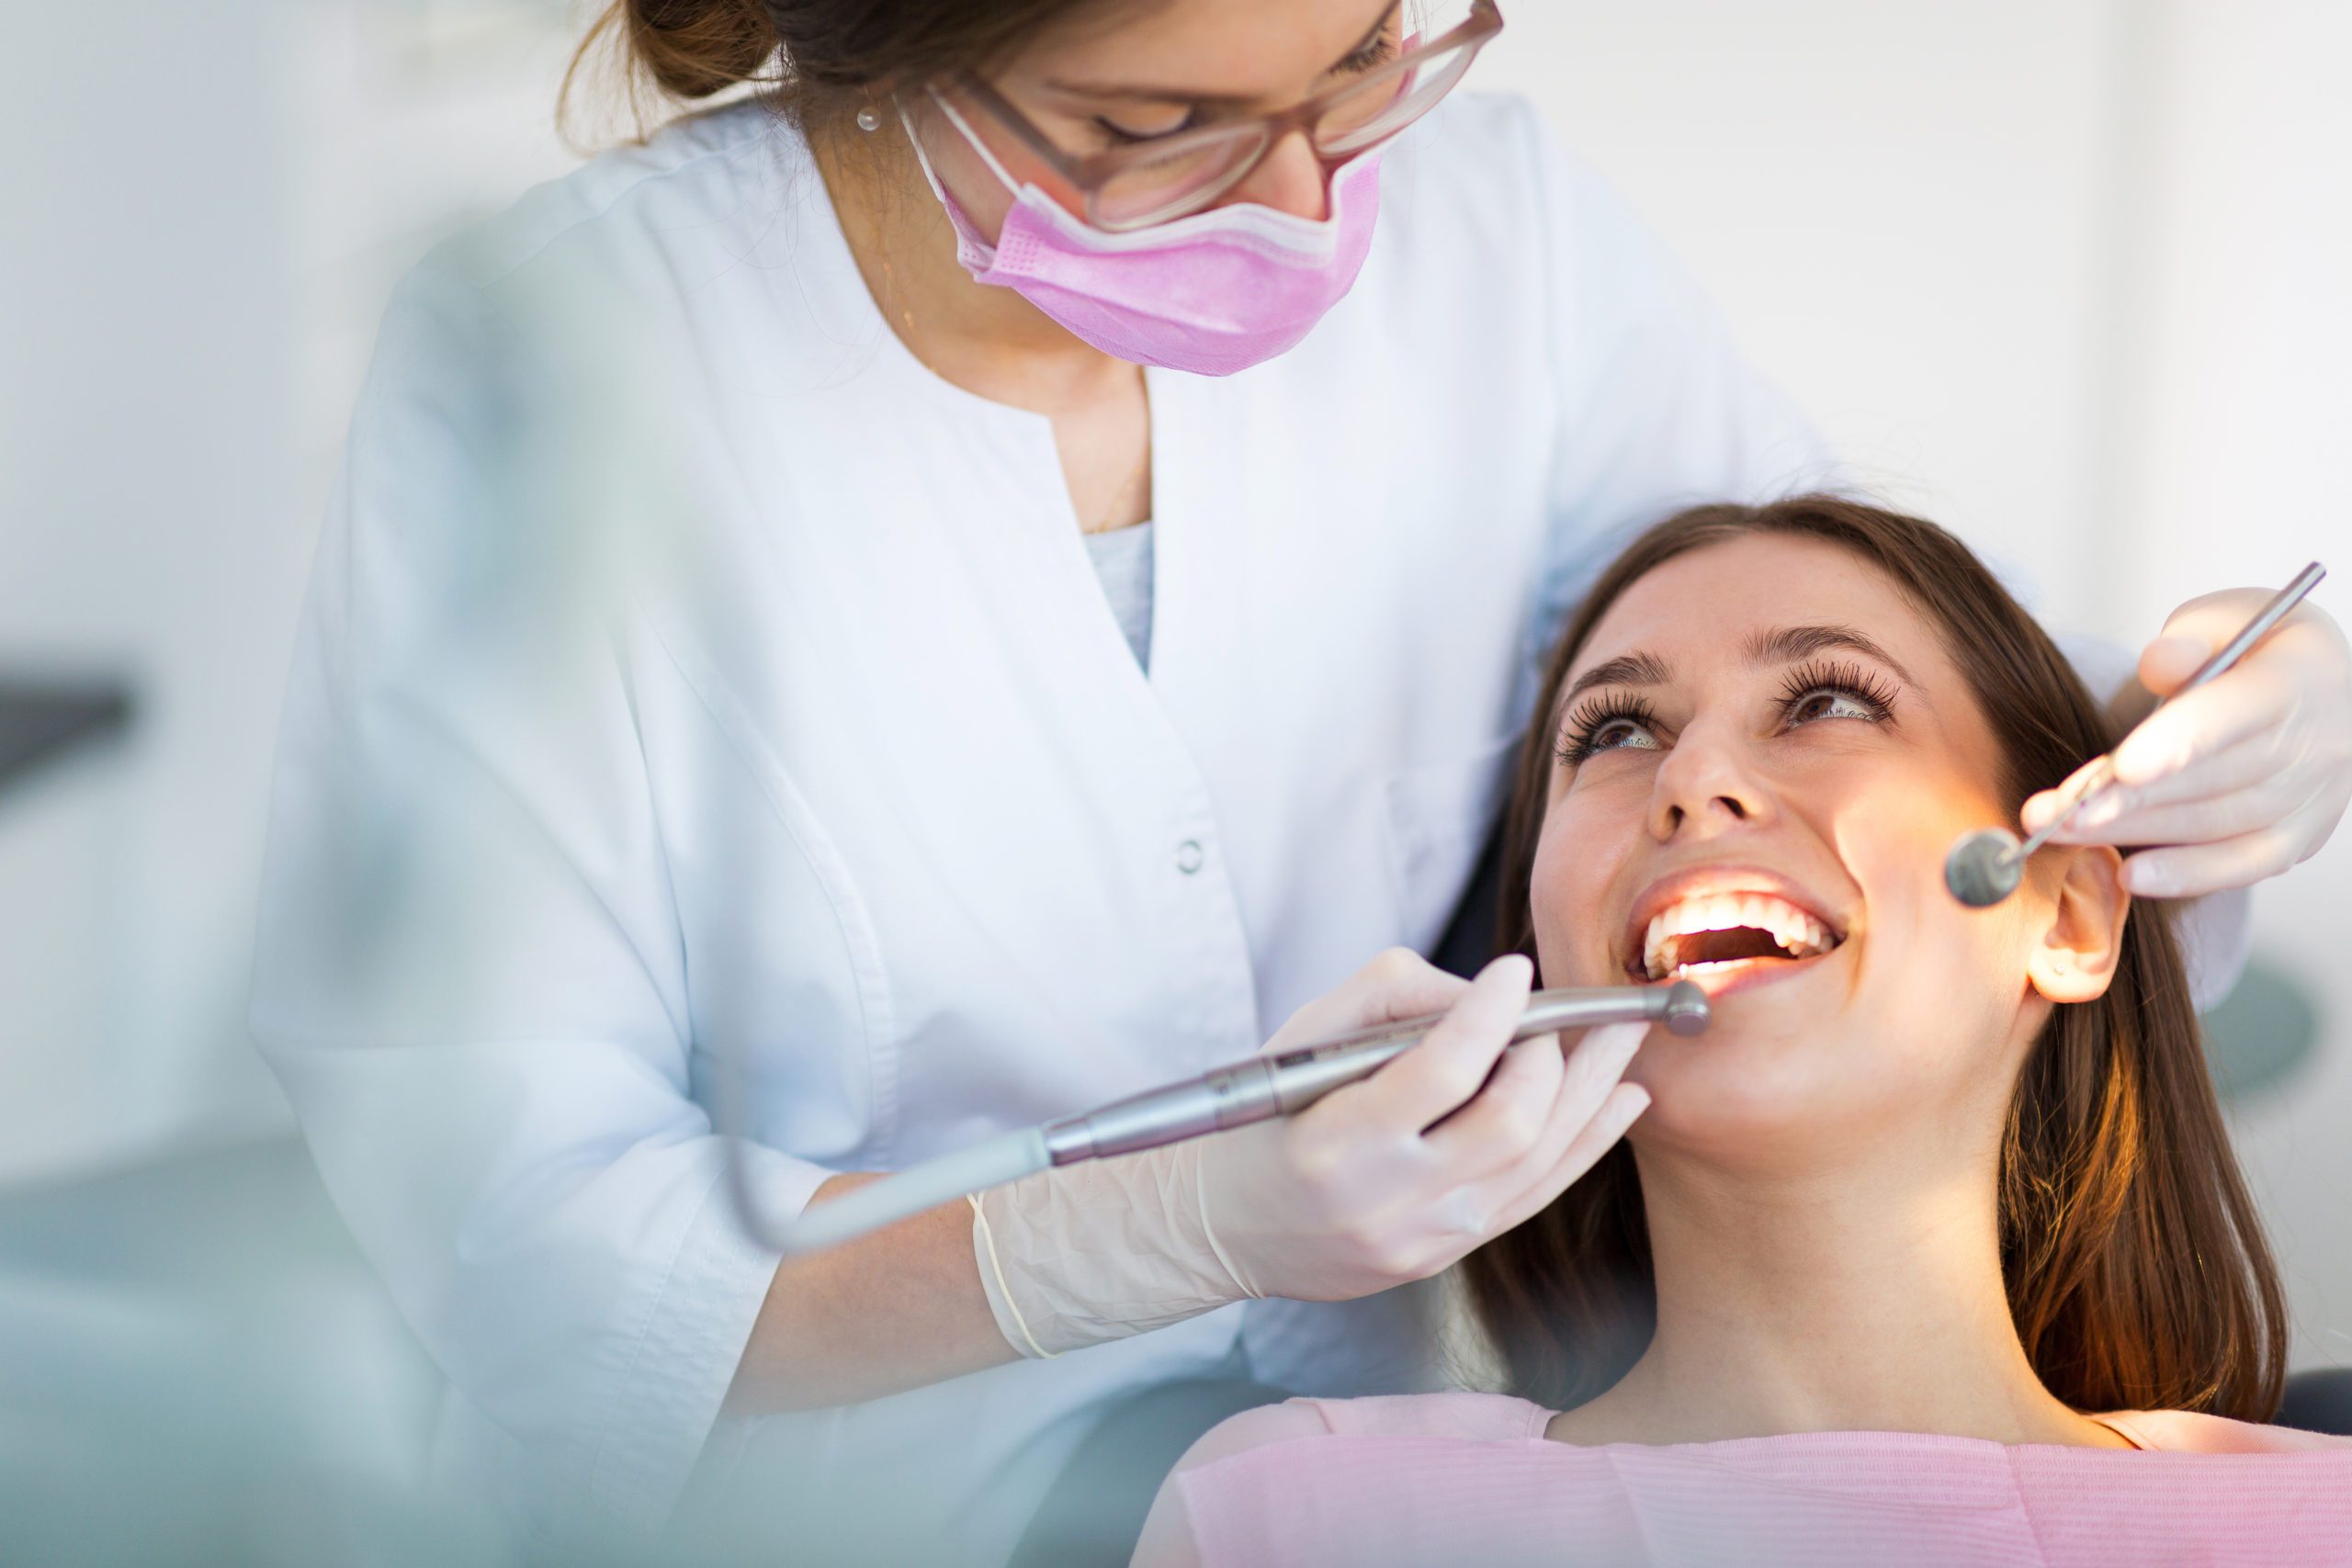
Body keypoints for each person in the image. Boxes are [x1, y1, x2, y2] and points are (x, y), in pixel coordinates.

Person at [247, 1, 2352, 1561]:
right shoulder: (571, 372)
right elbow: (527, 1241)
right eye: (1154, 122)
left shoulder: (1498, 244)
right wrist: (1124, 1236)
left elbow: (1820, 632)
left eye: (1361, 60)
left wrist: (2170, 712)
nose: (1304, 195)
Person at [1132, 496, 2352, 1568]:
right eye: (1614, 731)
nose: (1691, 776)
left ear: (2070, 912)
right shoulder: (1294, 1521)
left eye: (1826, 701)